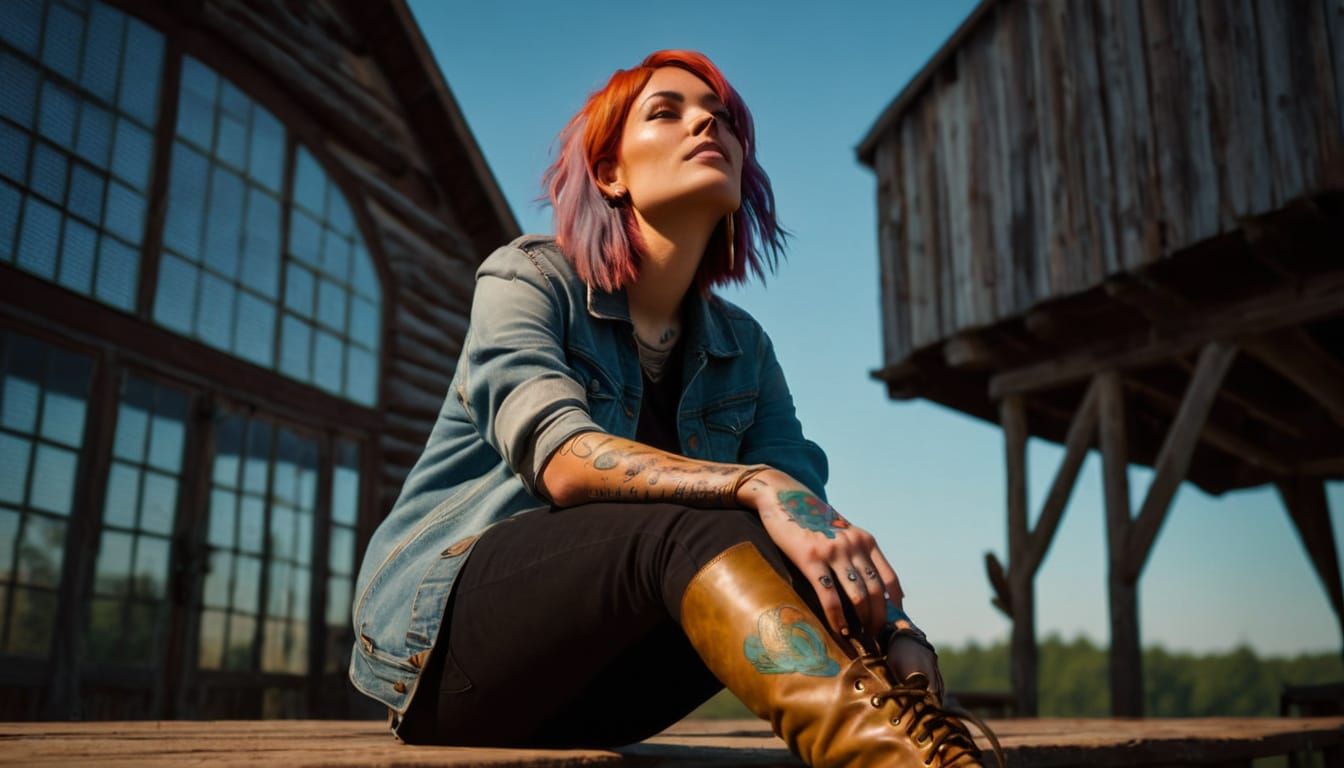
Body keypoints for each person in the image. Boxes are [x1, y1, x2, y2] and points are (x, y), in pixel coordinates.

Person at [349, 50, 1000, 768]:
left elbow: (807, 515)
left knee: (784, 544)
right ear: (610, 173)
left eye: (722, 118)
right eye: (669, 111)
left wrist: (901, 628)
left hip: (607, 691)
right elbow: (562, 456)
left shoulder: (743, 348)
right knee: (702, 522)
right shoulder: (529, 278)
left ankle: (915, 740)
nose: (706, 124)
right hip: (449, 659)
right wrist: (750, 482)